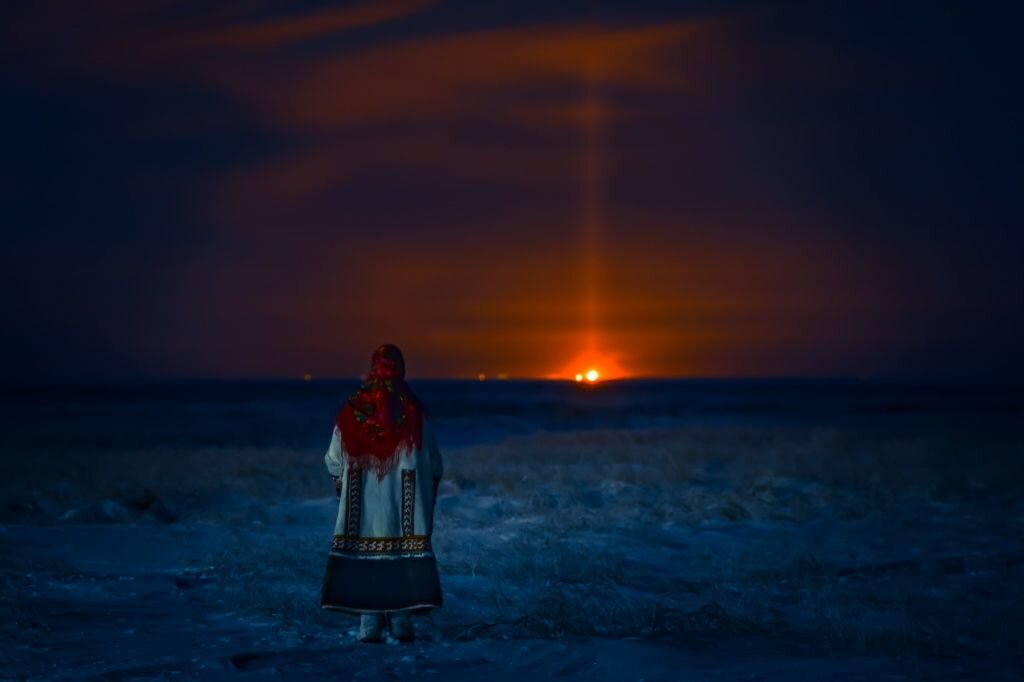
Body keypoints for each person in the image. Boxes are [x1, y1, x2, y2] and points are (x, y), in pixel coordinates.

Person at [320, 344, 444, 643]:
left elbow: (334, 458)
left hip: (361, 510)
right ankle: (401, 623)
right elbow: (433, 463)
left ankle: (369, 625)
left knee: (364, 555)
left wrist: (343, 486)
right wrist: (427, 495)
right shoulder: (414, 410)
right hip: (404, 509)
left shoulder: (353, 408)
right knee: (401, 554)